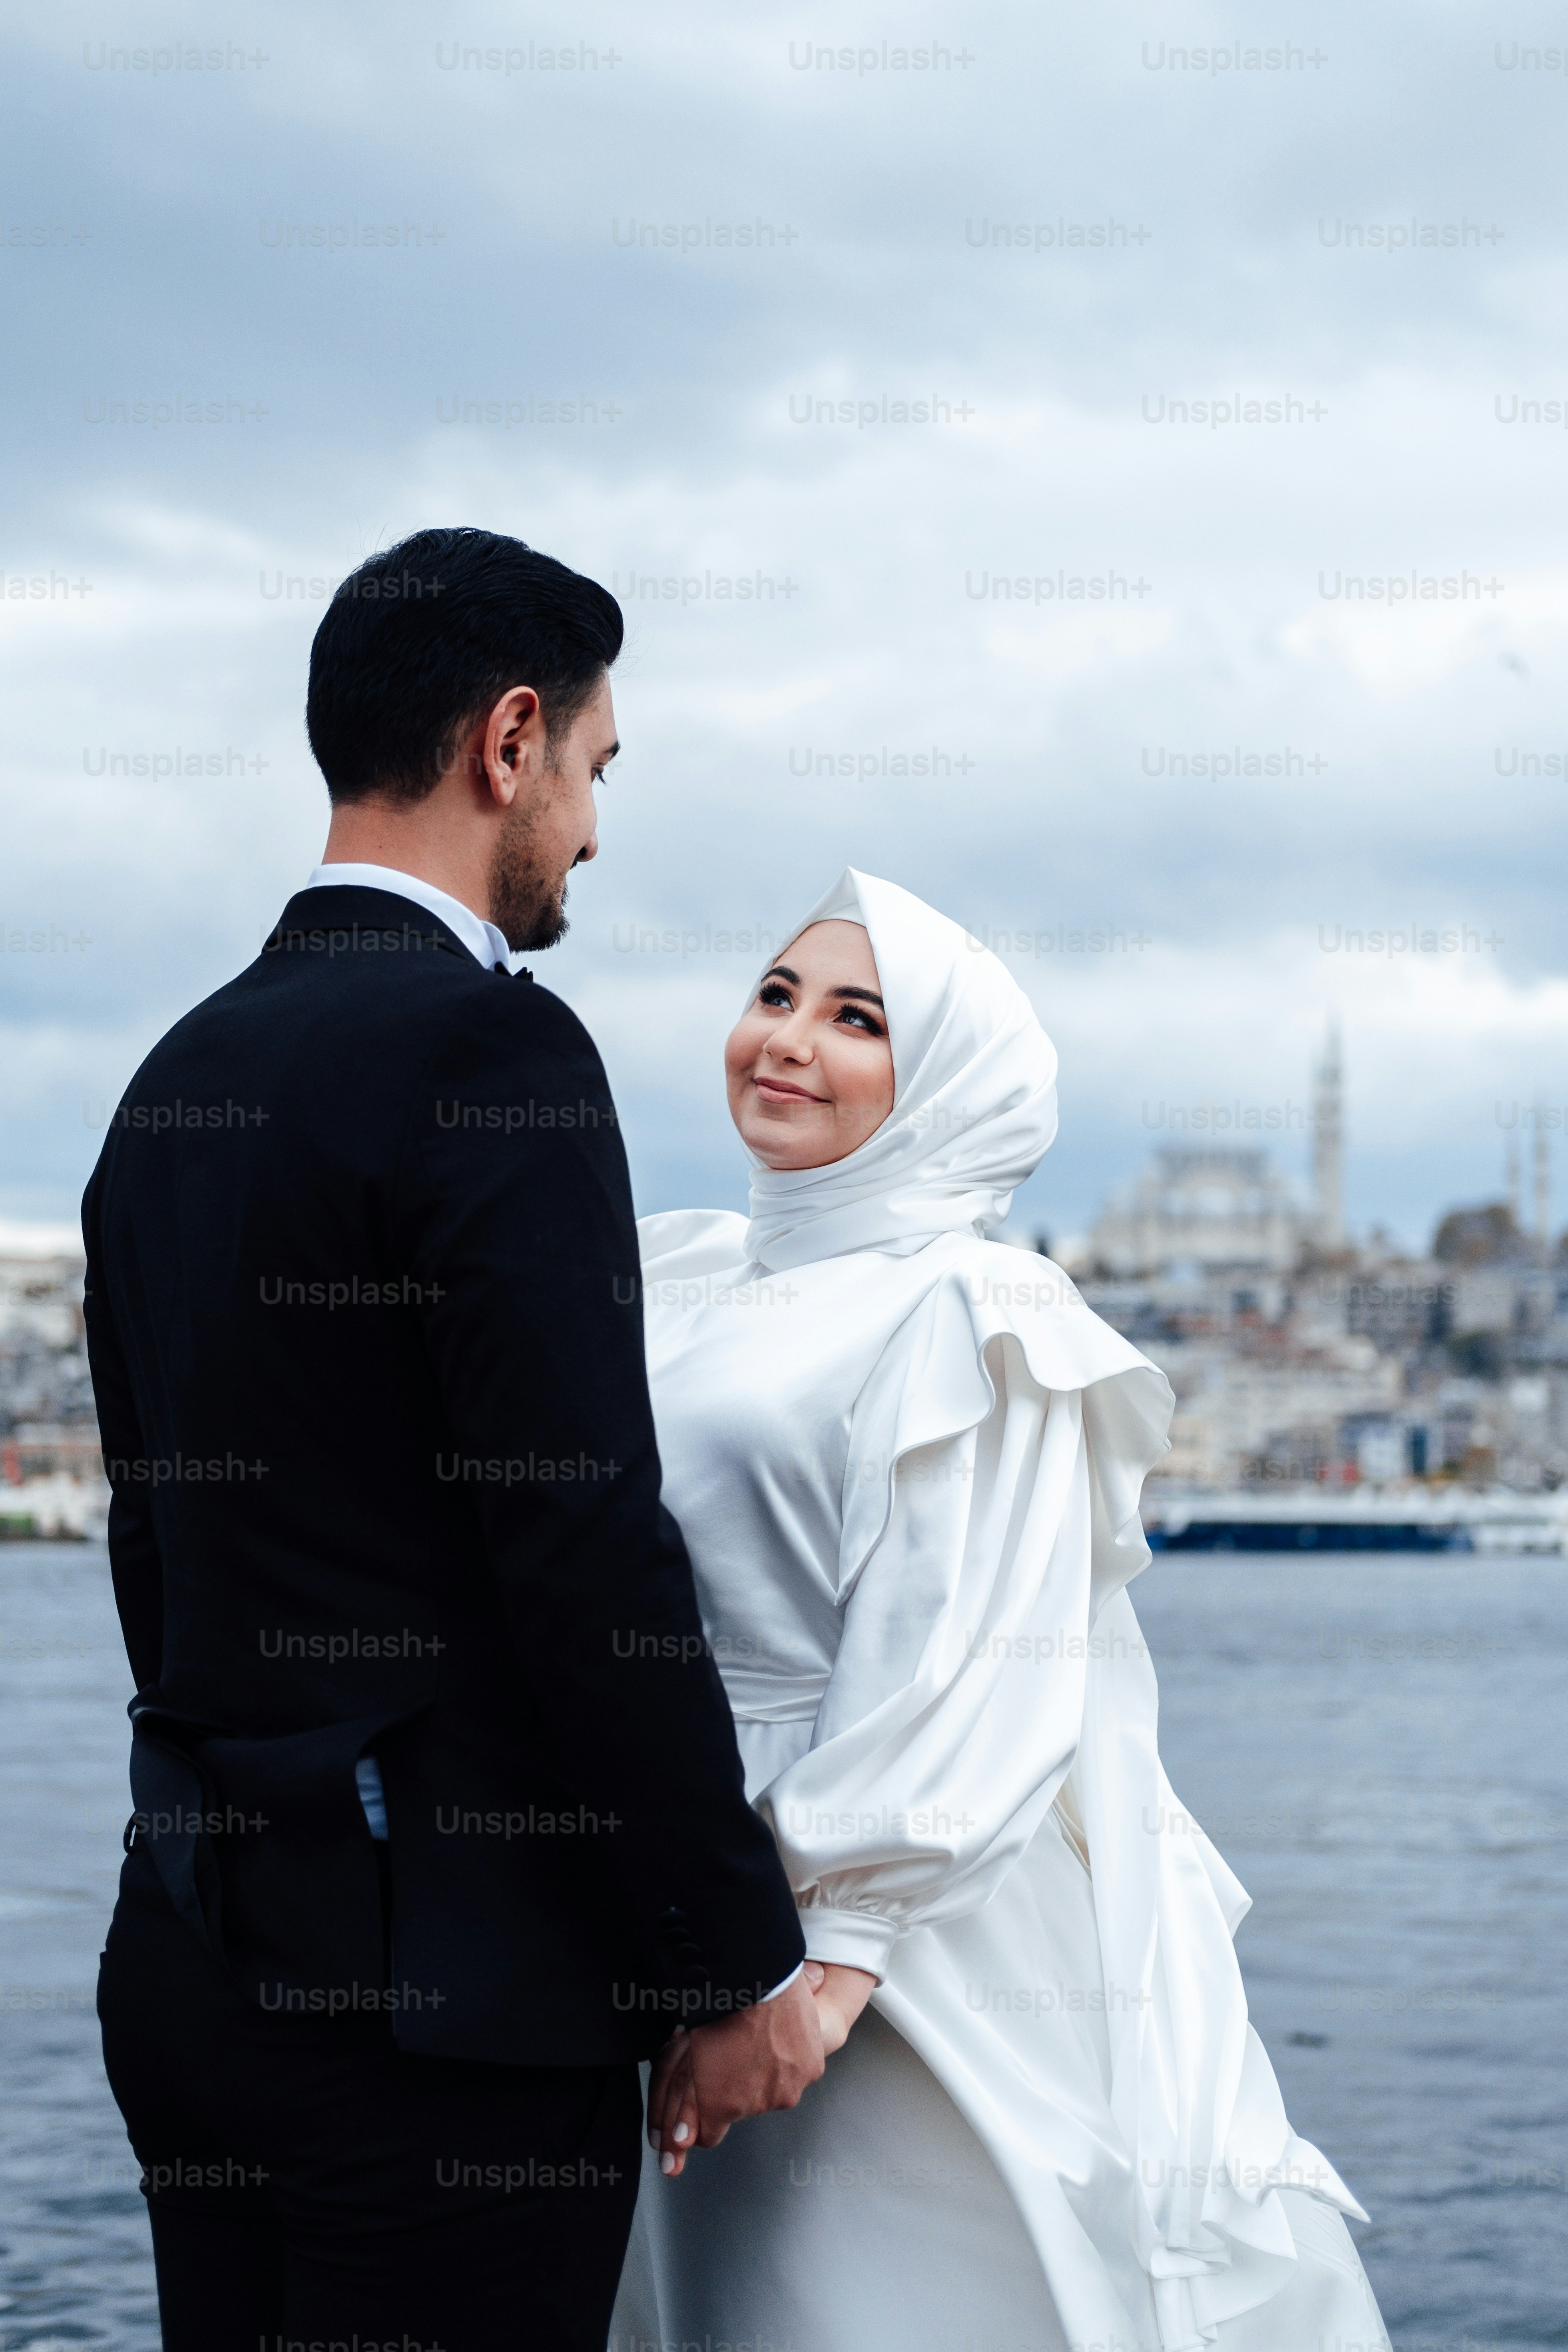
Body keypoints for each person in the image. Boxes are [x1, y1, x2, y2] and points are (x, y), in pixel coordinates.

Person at [82, 527, 822, 2352]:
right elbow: (579, 1540)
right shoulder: (492, 1054)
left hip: (190, 1961)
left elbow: (156, 1552)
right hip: (445, 2016)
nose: (589, 827)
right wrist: (723, 1958)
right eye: (595, 767)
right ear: (510, 741)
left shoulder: (171, 1079)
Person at [614, 869, 1391, 2352]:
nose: (786, 1038)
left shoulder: (974, 1308)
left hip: (888, 1933)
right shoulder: (683, 1275)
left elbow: (964, 1649)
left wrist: (826, 1972)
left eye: (857, 1020)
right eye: (775, 995)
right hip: (692, 1883)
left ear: (947, 1087)